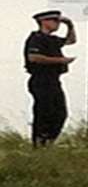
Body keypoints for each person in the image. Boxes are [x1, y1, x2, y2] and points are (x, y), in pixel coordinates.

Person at [23, 9, 76, 146]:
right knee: (44, 112)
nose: (57, 24)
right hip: (41, 79)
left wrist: (70, 25)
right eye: (55, 21)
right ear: (44, 21)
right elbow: (34, 57)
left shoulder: (52, 40)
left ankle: (49, 140)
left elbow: (71, 40)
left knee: (60, 112)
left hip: (53, 79)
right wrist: (60, 61)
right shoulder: (36, 38)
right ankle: (40, 141)